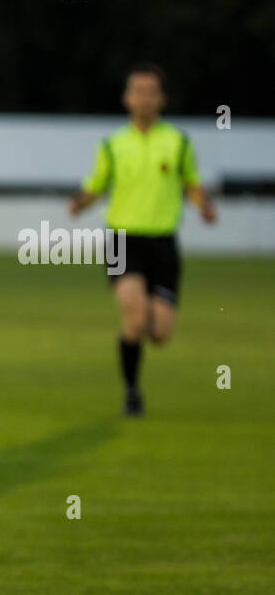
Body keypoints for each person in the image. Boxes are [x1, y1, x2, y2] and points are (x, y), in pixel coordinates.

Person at [68, 62, 217, 416]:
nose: (144, 98)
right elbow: (96, 186)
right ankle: (132, 393)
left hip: (163, 244)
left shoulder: (178, 142)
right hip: (123, 240)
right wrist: (80, 202)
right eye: (138, 91)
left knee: (160, 335)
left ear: (162, 99)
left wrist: (204, 205)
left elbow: (191, 183)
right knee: (134, 317)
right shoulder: (113, 144)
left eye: (152, 92)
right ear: (126, 97)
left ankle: (139, 350)